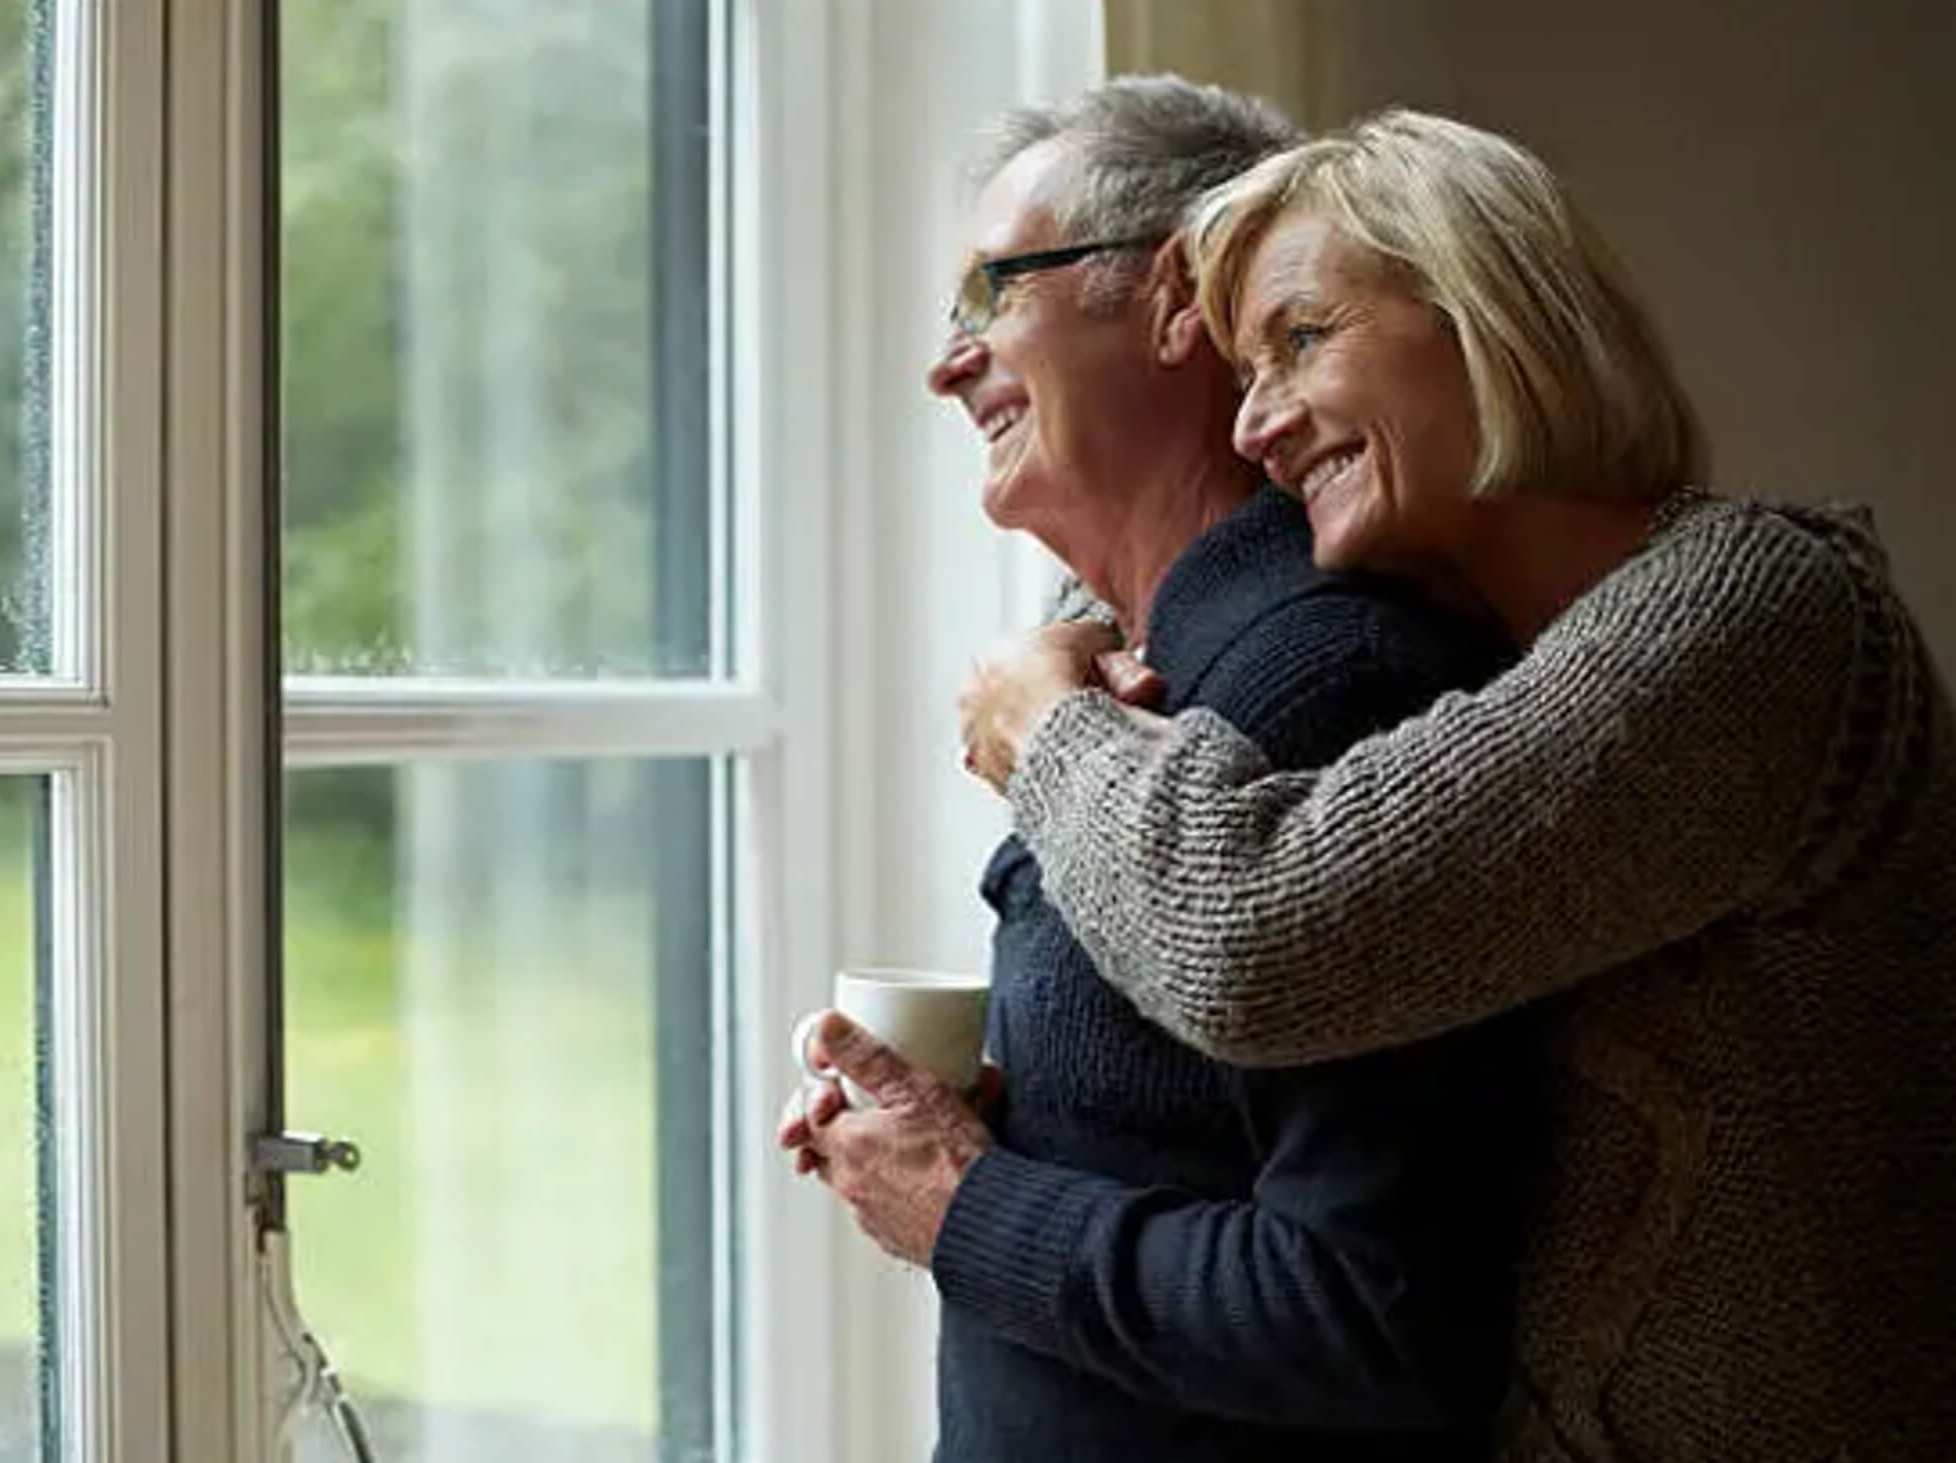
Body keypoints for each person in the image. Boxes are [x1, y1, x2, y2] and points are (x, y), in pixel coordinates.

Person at [955, 108, 1956, 1460]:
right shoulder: (1504, 651)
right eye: (1247, 371)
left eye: (1303, 341)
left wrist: (1048, 723)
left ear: (1490, 313)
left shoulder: (1752, 617)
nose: (1260, 422)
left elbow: (1260, 940)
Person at [779, 79, 1534, 1461]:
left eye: (993, 295)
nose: (948, 368)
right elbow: (1190, 1145)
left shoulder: (1327, 683)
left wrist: (961, 1205)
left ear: (1182, 296)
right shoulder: (1140, 677)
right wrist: (968, 1140)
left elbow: (1375, 1319)